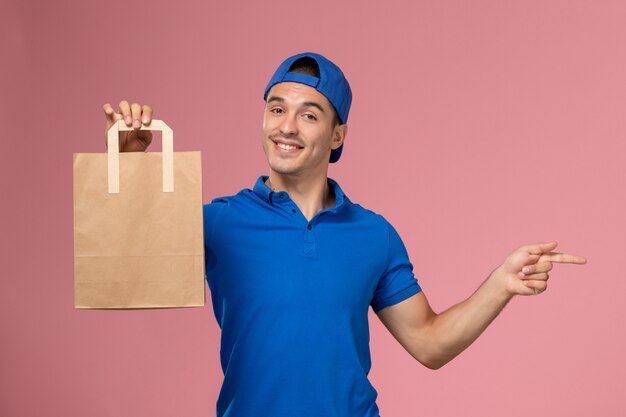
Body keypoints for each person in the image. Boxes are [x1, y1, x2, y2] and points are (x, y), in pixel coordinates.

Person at [102, 52, 587, 417]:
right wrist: (131, 164)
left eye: (309, 114)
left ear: (337, 135)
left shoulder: (374, 235)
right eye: (276, 109)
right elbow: (128, 262)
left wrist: (499, 285)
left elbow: (429, 343)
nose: (286, 126)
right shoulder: (220, 221)